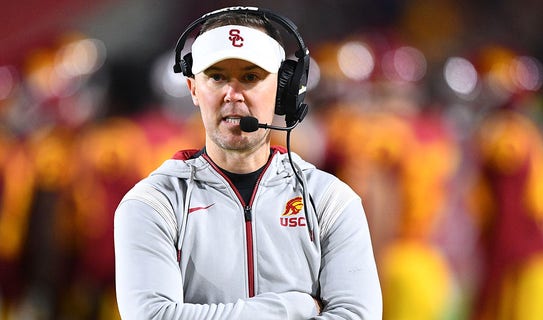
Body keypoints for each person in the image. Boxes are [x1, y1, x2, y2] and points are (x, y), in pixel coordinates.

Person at [113, 6, 382, 319]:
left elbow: (358, 316)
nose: (232, 94)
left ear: (284, 89)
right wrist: (291, 307)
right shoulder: (152, 203)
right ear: (193, 89)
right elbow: (154, 316)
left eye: (250, 77)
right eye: (217, 77)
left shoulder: (330, 201)